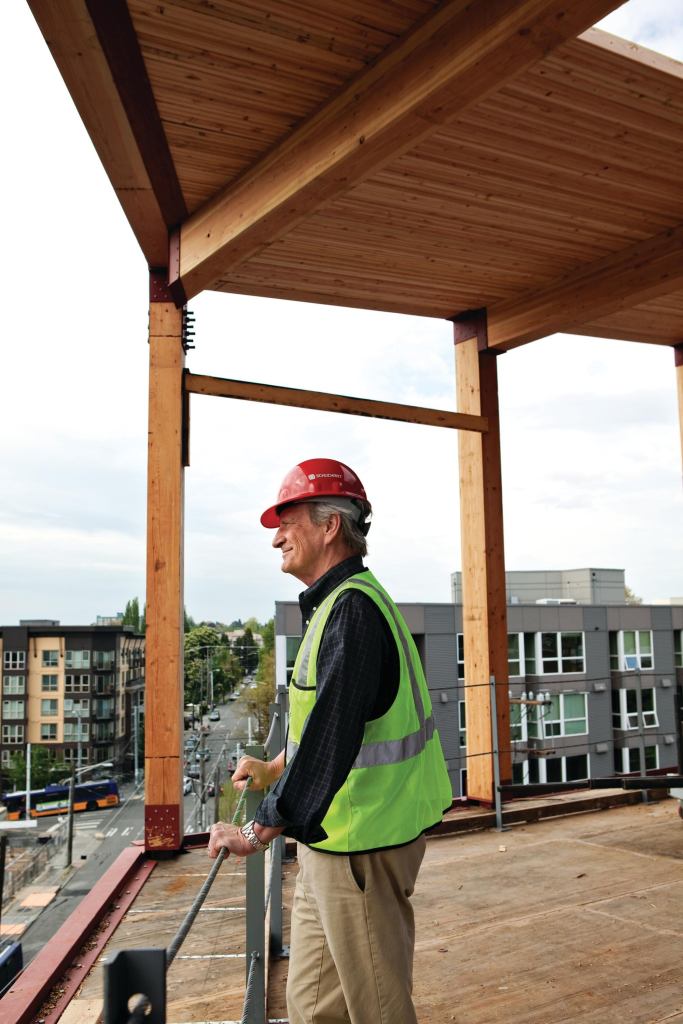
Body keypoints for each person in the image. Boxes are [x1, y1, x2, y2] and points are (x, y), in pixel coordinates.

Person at [208, 457, 452, 1024]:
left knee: (378, 1007)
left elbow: (334, 738)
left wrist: (255, 830)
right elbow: (329, 723)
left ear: (329, 526)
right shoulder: (339, 609)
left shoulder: (354, 614)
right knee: (313, 1006)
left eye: (287, 518)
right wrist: (277, 767)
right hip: (333, 842)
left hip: (362, 846)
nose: (276, 538)